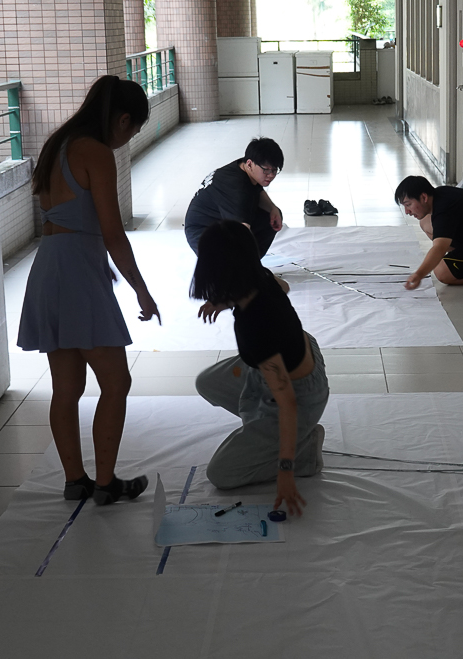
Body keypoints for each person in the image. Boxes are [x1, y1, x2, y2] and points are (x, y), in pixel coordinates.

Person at [17, 75, 161, 505]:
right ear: (122, 119)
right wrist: (141, 289)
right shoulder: (96, 153)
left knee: (66, 388)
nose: (128, 139)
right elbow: (113, 233)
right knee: (116, 382)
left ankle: (75, 480)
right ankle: (105, 483)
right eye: (133, 130)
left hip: (49, 267)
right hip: (78, 273)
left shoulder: (57, 144)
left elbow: (70, 220)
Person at [191, 221, 329, 517]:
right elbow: (284, 287)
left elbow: (288, 403)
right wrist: (222, 302)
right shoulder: (260, 276)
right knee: (207, 382)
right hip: (298, 356)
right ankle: (266, 431)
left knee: (221, 474)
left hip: (302, 395)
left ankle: (304, 452)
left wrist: (285, 471)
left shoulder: (256, 326)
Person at [184, 137, 286, 257]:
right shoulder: (237, 190)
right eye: (266, 170)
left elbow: (257, 189)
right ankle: (245, 265)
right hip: (203, 233)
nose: (271, 175)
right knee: (236, 251)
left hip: (220, 222)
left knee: (272, 216)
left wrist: (272, 208)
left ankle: (249, 262)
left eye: (274, 170)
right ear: (249, 164)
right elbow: (242, 234)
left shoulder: (244, 166)